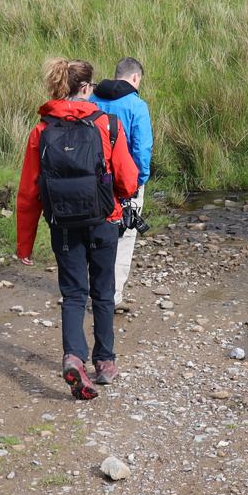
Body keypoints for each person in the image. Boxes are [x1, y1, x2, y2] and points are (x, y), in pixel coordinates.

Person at [16, 58, 139, 400]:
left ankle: (74, 357)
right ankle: (105, 361)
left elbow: (28, 192)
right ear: (86, 88)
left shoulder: (41, 130)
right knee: (103, 290)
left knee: (72, 294)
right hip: (103, 220)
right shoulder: (107, 125)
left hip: (63, 224)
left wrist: (24, 243)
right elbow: (128, 182)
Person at [90, 57, 152, 311]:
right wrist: (140, 179)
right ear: (135, 78)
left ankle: (93, 290)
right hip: (125, 180)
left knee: (95, 232)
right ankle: (112, 296)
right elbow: (142, 147)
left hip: (93, 178)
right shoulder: (137, 105)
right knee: (125, 236)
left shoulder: (91, 100)